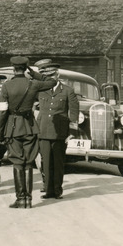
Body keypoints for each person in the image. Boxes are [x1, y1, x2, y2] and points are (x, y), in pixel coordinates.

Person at [0, 56, 56, 208]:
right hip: (29, 126)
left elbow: (2, 112)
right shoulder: (34, 84)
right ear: (25, 68)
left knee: (17, 162)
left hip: (13, 127)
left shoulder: (6, 86)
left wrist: (0, 133)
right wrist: (35, 73)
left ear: (13, 68)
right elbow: (52, 82)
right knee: (29, 162)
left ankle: (20, 199)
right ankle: (28, 200)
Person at [35, 59, 79, 200]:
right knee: (45, 162)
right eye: (47, 77)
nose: (51, 79)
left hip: (60, 132)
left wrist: (71, 133)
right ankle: (48, 190)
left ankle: (57, 190)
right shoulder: (40, 90)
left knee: (58, 163)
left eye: (52, 76)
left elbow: (74, 113)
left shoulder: (67, 91)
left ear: (57, 75)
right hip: (43, 130)